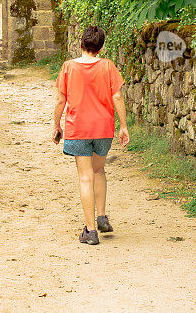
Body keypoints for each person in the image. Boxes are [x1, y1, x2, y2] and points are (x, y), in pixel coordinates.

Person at [53, 25, 129, 245]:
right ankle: (102, 216)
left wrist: (57, 125)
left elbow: (60, 100)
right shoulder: (108, 66)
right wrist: (123, 126)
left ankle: (91, 231)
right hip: (103, 128)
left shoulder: (68, 67)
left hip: (79, 129)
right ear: (100, 47)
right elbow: (117, 97)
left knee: (85, 177)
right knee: (99, 171)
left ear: (81, 44)